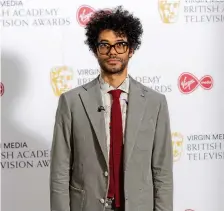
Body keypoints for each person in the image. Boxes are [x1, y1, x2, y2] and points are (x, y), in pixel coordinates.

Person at [50, 6, 173, 211]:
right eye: (105, 45)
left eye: (120, 45)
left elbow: (163, 172)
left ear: (131, 50)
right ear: (95, 49)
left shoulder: (155, 102)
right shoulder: (71, 102)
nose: (112, 51)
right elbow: (59, 172)